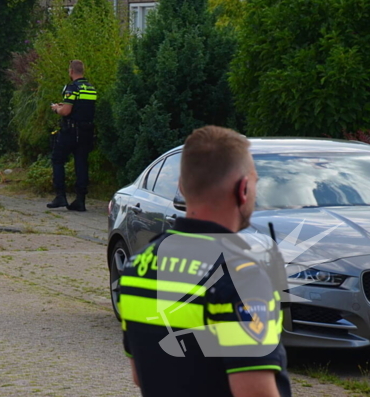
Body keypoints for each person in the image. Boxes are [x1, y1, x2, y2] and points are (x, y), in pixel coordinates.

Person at [119, 126, 291, 397]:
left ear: (181, 186)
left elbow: (140, 376)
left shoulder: (135, 268)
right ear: (243, 189)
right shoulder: (241, 275)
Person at [47, 59, 97, 212]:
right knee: (81, 163)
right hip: (87, 131)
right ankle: (80, 199)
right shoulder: (90, 88)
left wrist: (56, 108)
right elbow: (82, 108)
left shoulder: (72, 88)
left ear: (71, 71)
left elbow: (66, 111)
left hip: (71, 131)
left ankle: (60, 195)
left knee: (57, 159)